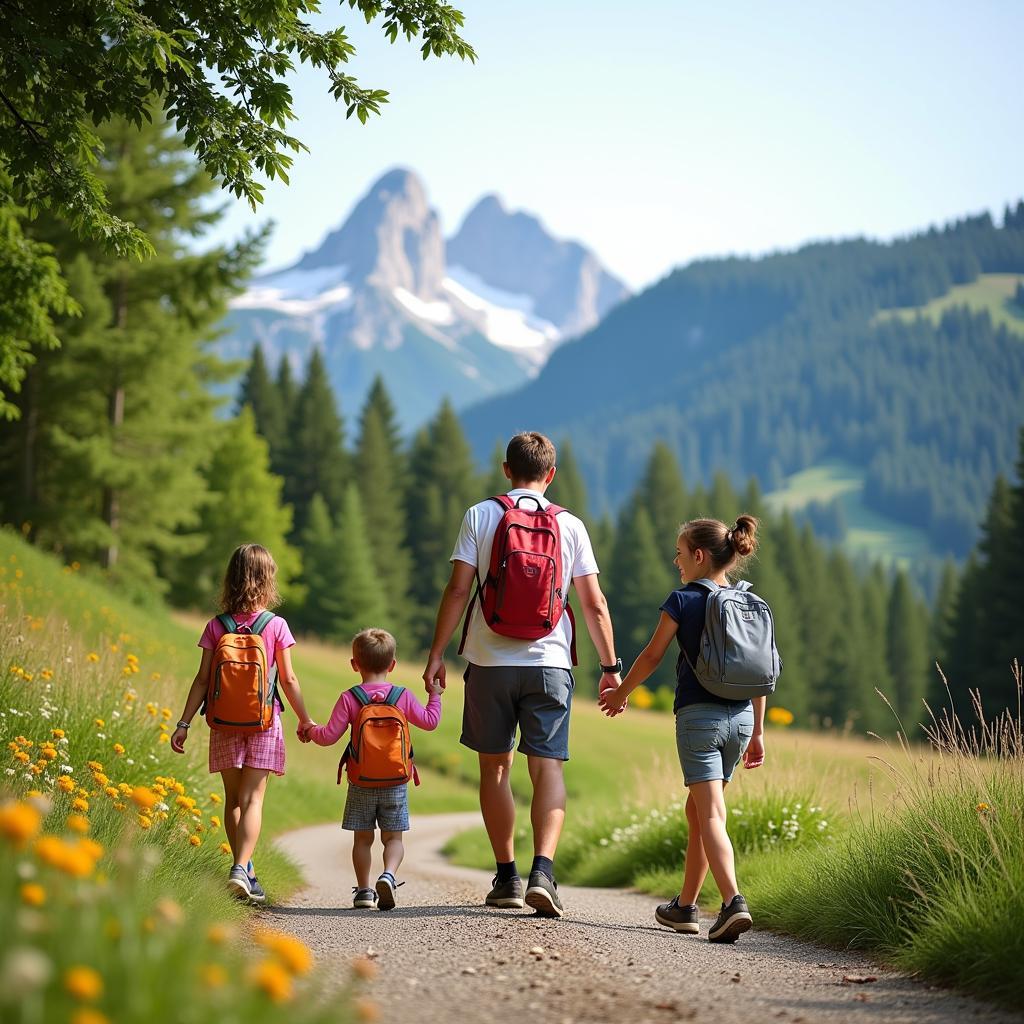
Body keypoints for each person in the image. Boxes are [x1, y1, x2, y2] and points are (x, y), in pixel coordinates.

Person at [422, 431, 621, 918]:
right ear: (550, 475)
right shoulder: (569, 525)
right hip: (550, 663)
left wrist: (436, 655)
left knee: (495, 769)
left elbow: (456, 592)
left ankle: (506, 876)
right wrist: (611, 667)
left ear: (506, 469)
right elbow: (593, 604)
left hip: (489, 663)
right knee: (547, 768)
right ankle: (543, 873)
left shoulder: (480, 514)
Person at [600, 515, 766, 943]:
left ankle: (732, 902)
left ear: (698, 555)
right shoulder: (748, 601)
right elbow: (760, 673)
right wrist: (759, 731)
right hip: (743, 720)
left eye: (679, 553)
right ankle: (685, 908)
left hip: (700, 719)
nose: (675, 561)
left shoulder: (684, 599)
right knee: (698, 813)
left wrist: (621, 693)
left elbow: (653, 656)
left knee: (709, 814)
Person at [171, 542, 315, 903]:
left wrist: (184, 724)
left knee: (233, 799)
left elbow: (203, 680)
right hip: (264, 722)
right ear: (267, 579)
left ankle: (244, 869)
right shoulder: (276, 626)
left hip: (223, 722)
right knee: (253, 800)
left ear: (230, 578)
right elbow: (289, 680)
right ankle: (241, 869)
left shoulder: (216, 626)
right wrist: (305, 720)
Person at [301, 628, 442, 910]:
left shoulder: (350, 698)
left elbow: (328, 736)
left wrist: (309, 730)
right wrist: (435, 695)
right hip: (396, 780)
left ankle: (364, 891)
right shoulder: (402, 696)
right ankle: (388, 875)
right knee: (393, 838)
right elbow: (430, 721)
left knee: (362, 839)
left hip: (361, 780)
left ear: (355, 664)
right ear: (392, 665)